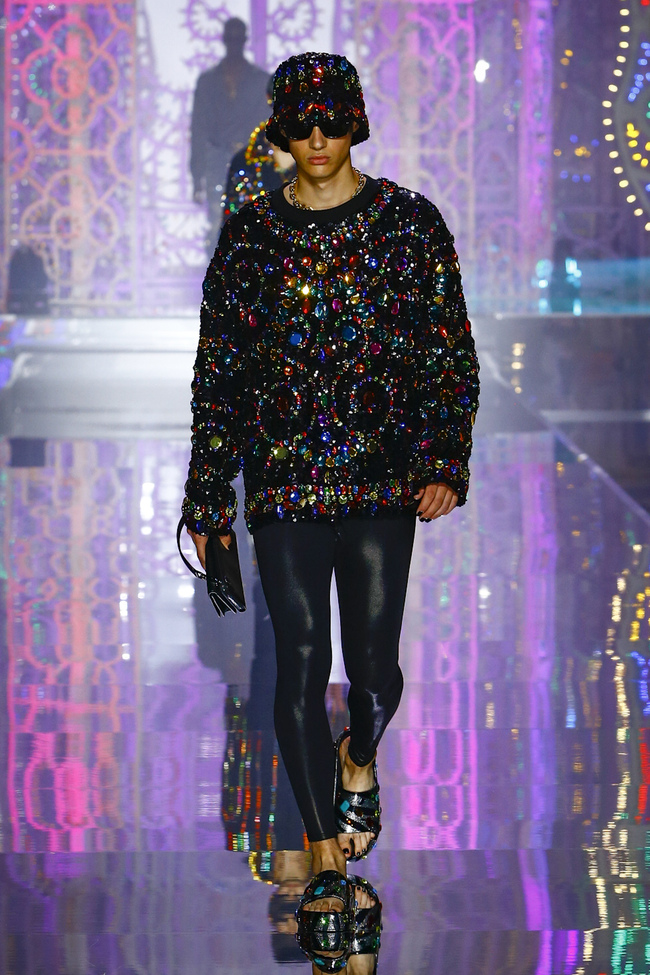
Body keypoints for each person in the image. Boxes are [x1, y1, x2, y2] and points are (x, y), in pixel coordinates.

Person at [182, 52, 479, 969]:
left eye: (332, 121)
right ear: (281, 128)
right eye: (301, 123)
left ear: (355, 121)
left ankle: (360, 757)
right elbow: (220, 371)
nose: (317, 139)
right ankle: (321, 856)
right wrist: (209, 498)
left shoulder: (409, 223)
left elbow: (449, 349)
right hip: (284, 477)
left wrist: (444, 458)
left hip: (383, 474)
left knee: (377, 668)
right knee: (300, 662)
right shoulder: (251, 237)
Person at [190, 17, 270, 253]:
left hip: (251, 163)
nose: (234, 44)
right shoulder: (208, 82)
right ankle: (219, 273)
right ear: (224, 40)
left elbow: (269, 129)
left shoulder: (260, 82)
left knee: (252, 226)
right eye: (231, 39)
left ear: (244, 41)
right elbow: (198, 129)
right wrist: (197, 176)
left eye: (238, 39)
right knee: (218, 225)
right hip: (217, 162)